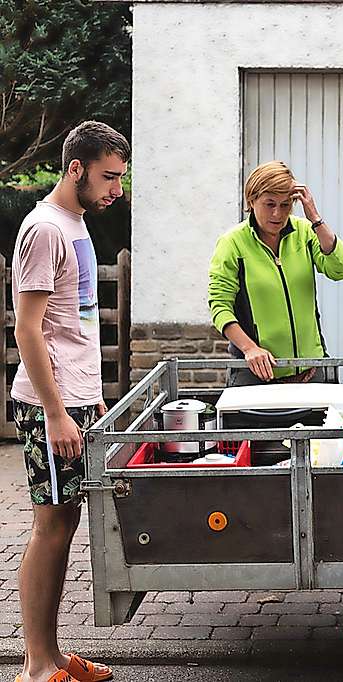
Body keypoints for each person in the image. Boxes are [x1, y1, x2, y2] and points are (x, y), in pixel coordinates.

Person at [11, 121, 127, 682]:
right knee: (49, 527)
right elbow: (28, 330)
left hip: (75, 402)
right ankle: (36, 665)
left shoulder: (75, 224)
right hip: (46, 406)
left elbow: (75, 326)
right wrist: (56, 412)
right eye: (108, 177)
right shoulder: (44, 229)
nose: (116, 190)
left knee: (66, 523)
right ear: (75, 169)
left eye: (120, 179)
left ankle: (54, 656)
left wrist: (92, 399)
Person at [208, 161, 343, 386]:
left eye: (286, 205)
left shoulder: (305, 232)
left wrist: (315, 218)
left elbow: (341, 269)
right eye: (269, 204)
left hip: (311, 372)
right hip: (255, 374)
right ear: (251, 201)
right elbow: (220, 307)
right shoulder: (232, 243)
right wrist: (250, 349)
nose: (278, 213)